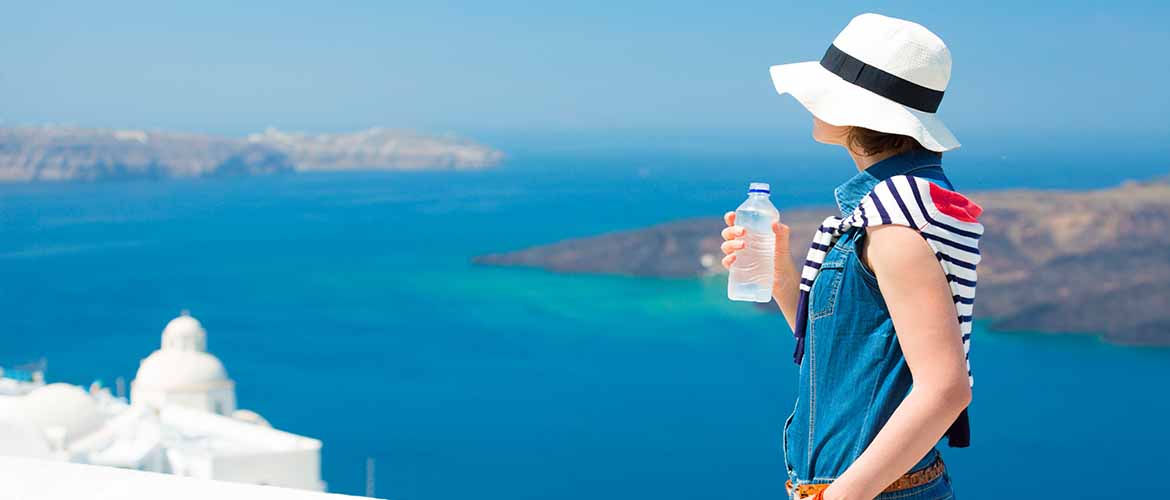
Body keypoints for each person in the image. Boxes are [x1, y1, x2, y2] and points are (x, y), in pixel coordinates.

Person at [721, 13, 983, 500]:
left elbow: (947, 388)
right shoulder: (904, 205)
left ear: (854, 112)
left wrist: (843, 496)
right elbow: (851, 349)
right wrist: (782, 277)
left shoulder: (892, 226)